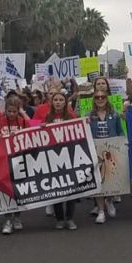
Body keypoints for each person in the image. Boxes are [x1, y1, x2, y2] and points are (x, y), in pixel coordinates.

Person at [88, 90, 124, 224]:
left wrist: (122, 142)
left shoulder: (114, 115)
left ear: (107, 99)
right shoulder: (89, 116)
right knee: (99, 180)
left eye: (103, 97)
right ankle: (101, 211)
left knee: (111, 177)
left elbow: (120, 130)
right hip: (95, 151)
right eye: (97, 97)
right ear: (94, 100)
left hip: (112, 150)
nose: (100, 99)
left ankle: (109, 200)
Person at [44, 90, 78, 229]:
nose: (58, 102)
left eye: (61, 100)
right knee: (56, 188)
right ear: (52, 102)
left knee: (71, 189)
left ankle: (70, 218)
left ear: (65, 102)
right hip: (52, 157)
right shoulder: (47, 117)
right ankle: (59, 218)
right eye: (55, 100)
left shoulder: (71, 116)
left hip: (69, 156)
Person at [0, 94, 29, 235]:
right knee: (7, 191)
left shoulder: (22, 122)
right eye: (9, 111)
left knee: (18, 191)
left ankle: (17, 217)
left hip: (20, 160)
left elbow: (32, 135)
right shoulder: (0, 122)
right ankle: (7, 220)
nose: (11, 114)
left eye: (14, 111)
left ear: (18, 110)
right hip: (4, 161)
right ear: (5, 110)